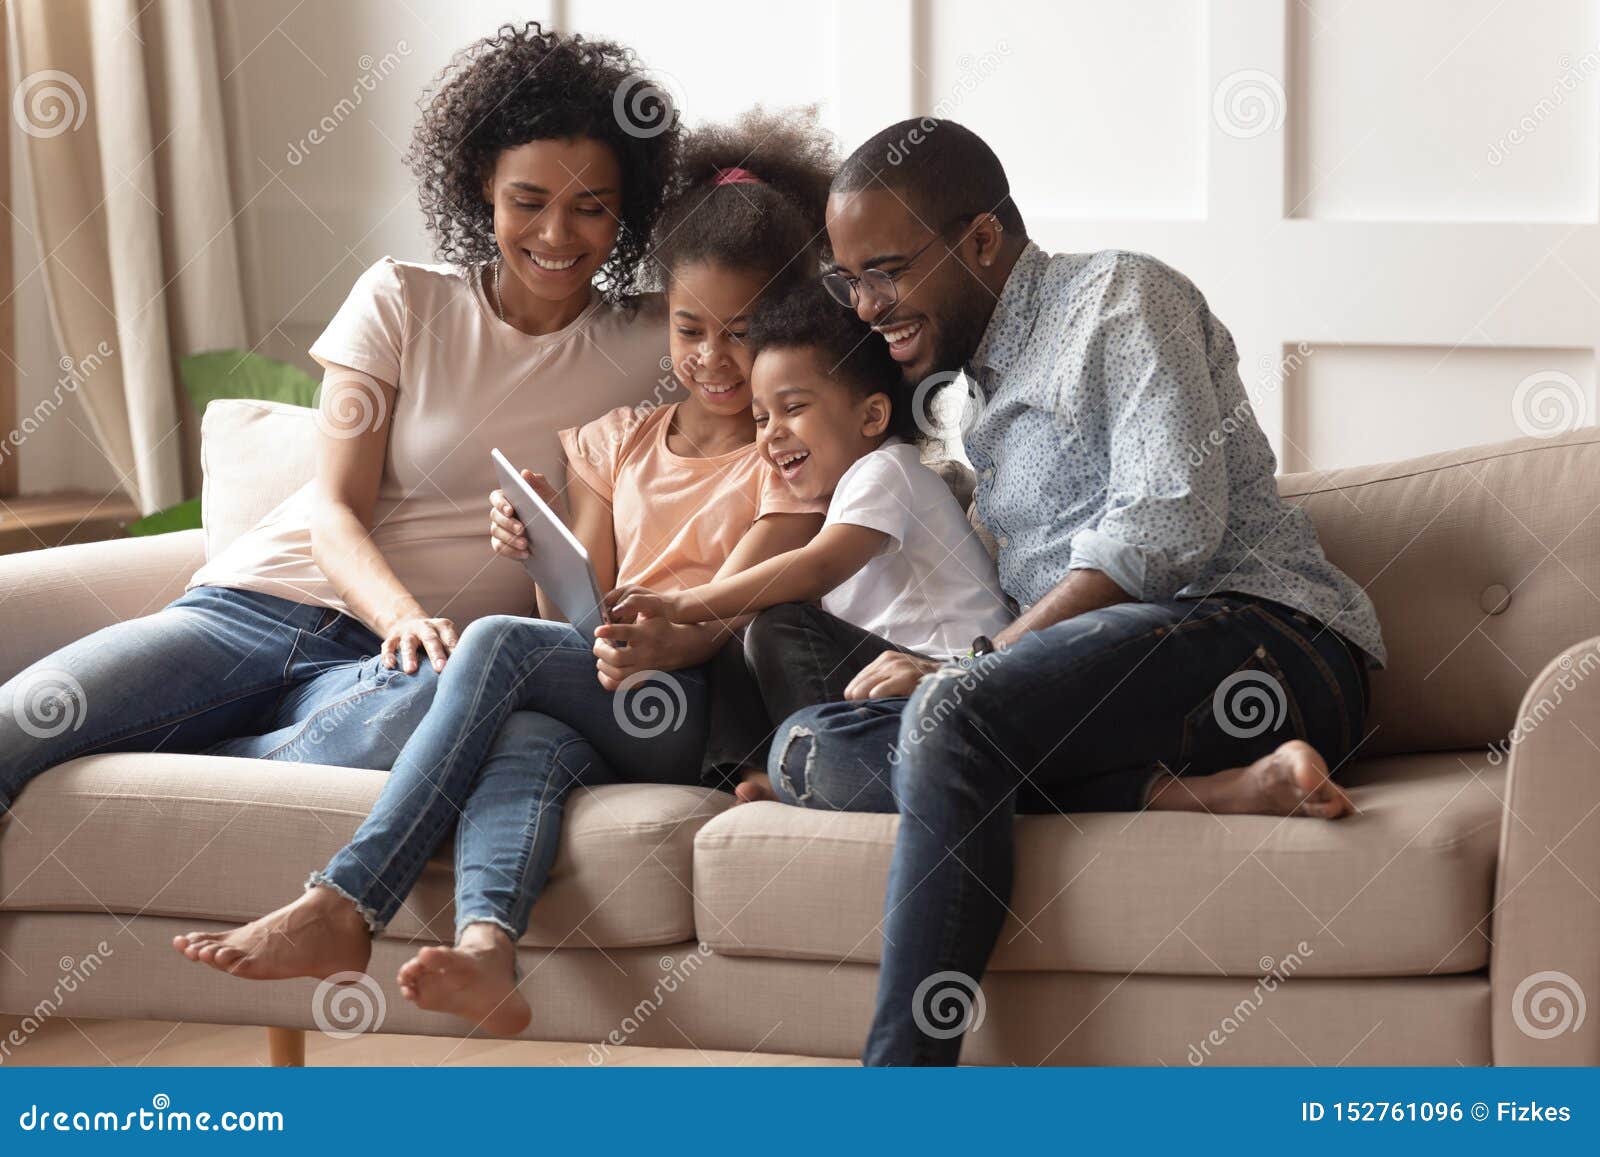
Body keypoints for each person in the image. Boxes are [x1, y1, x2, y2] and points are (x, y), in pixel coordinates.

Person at [173, 111, 840, 1038]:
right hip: (606, 687)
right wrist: (537, 551)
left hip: (697, 706)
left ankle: (345, 901)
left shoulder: (789, 459)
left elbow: (737, 605)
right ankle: (490, 949)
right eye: (689, 329)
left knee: (490, 645)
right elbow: (567, 615)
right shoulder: (617, 440)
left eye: (742, 334)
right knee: (524, 736)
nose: (711, 358)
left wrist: (662, 631)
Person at [776, 118, 1387, 1065]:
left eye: (885, 270)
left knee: (950, 717)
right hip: (1118, 683)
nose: (864, 306)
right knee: (804, 746)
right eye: (848, 279)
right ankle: (1201, 791)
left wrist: (972, 672)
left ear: (982, 239)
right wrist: (964, 673)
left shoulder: (1121, 299)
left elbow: (1163, 526)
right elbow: (1043, 652)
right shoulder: (976, 384)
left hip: (1264, 642)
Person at [0, 23, 676, 802]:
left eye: (591, 208)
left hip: (397, 676)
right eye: (528, 201)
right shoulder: (402, 297)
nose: (557, 234)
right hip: (256, 611)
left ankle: (215, 759)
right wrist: (403, 617)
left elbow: (778, 307)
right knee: (27, 719)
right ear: (482, 186)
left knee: (429, 709)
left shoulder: (660, 342)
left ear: (628, 211)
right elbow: (333, 510)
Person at [607, 284, 1012, 804]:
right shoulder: (843, 497)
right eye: (760, 418)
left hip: (943, 687)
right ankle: (749, 768)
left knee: (779, 619)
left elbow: (815, 569)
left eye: (792, 408)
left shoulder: (889, 471)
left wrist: (684, 602)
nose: (772, 434)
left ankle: (818, 760)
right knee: (749, 628)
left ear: (872, 417)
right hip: (886, 688)